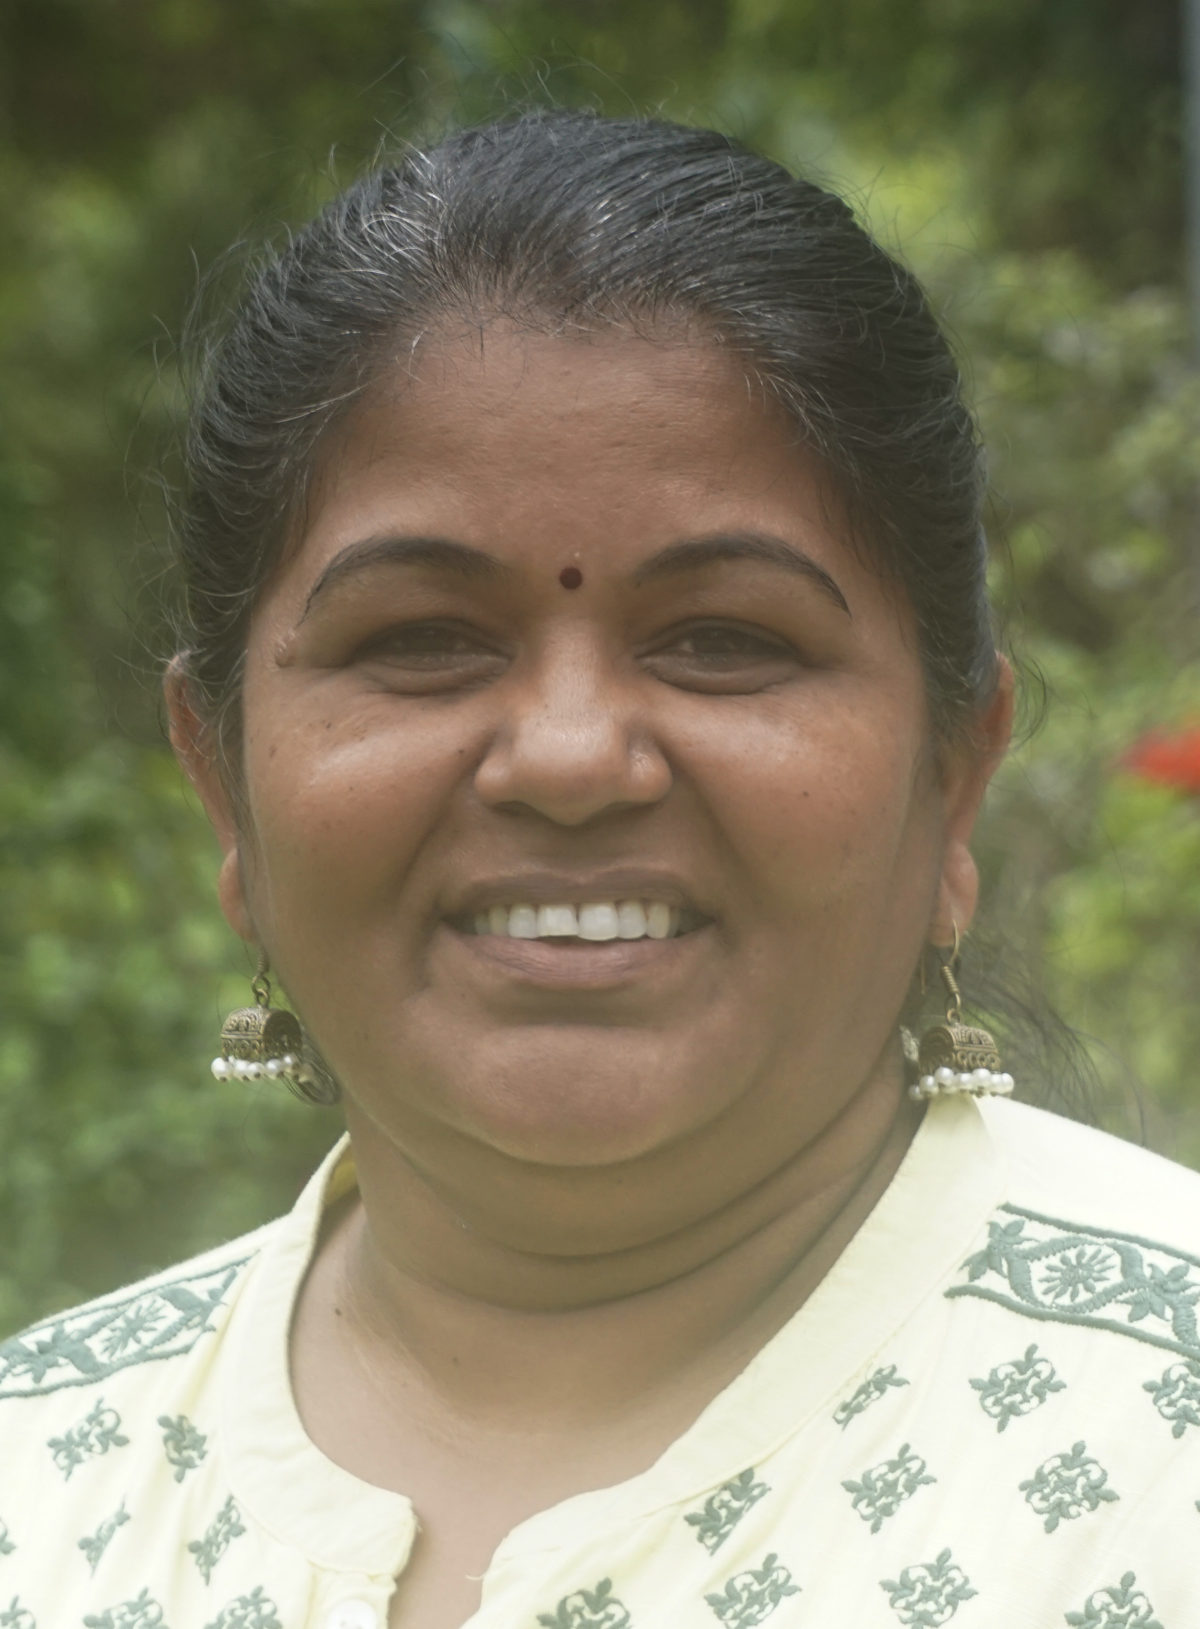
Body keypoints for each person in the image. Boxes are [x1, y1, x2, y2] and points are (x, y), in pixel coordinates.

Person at [1, 109, 1196, 1629]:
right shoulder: (40, 1493)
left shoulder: (1163, 1449)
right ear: (222, 782)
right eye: (421, 640)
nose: (569, 757)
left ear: (952, 773)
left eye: (725, 639)